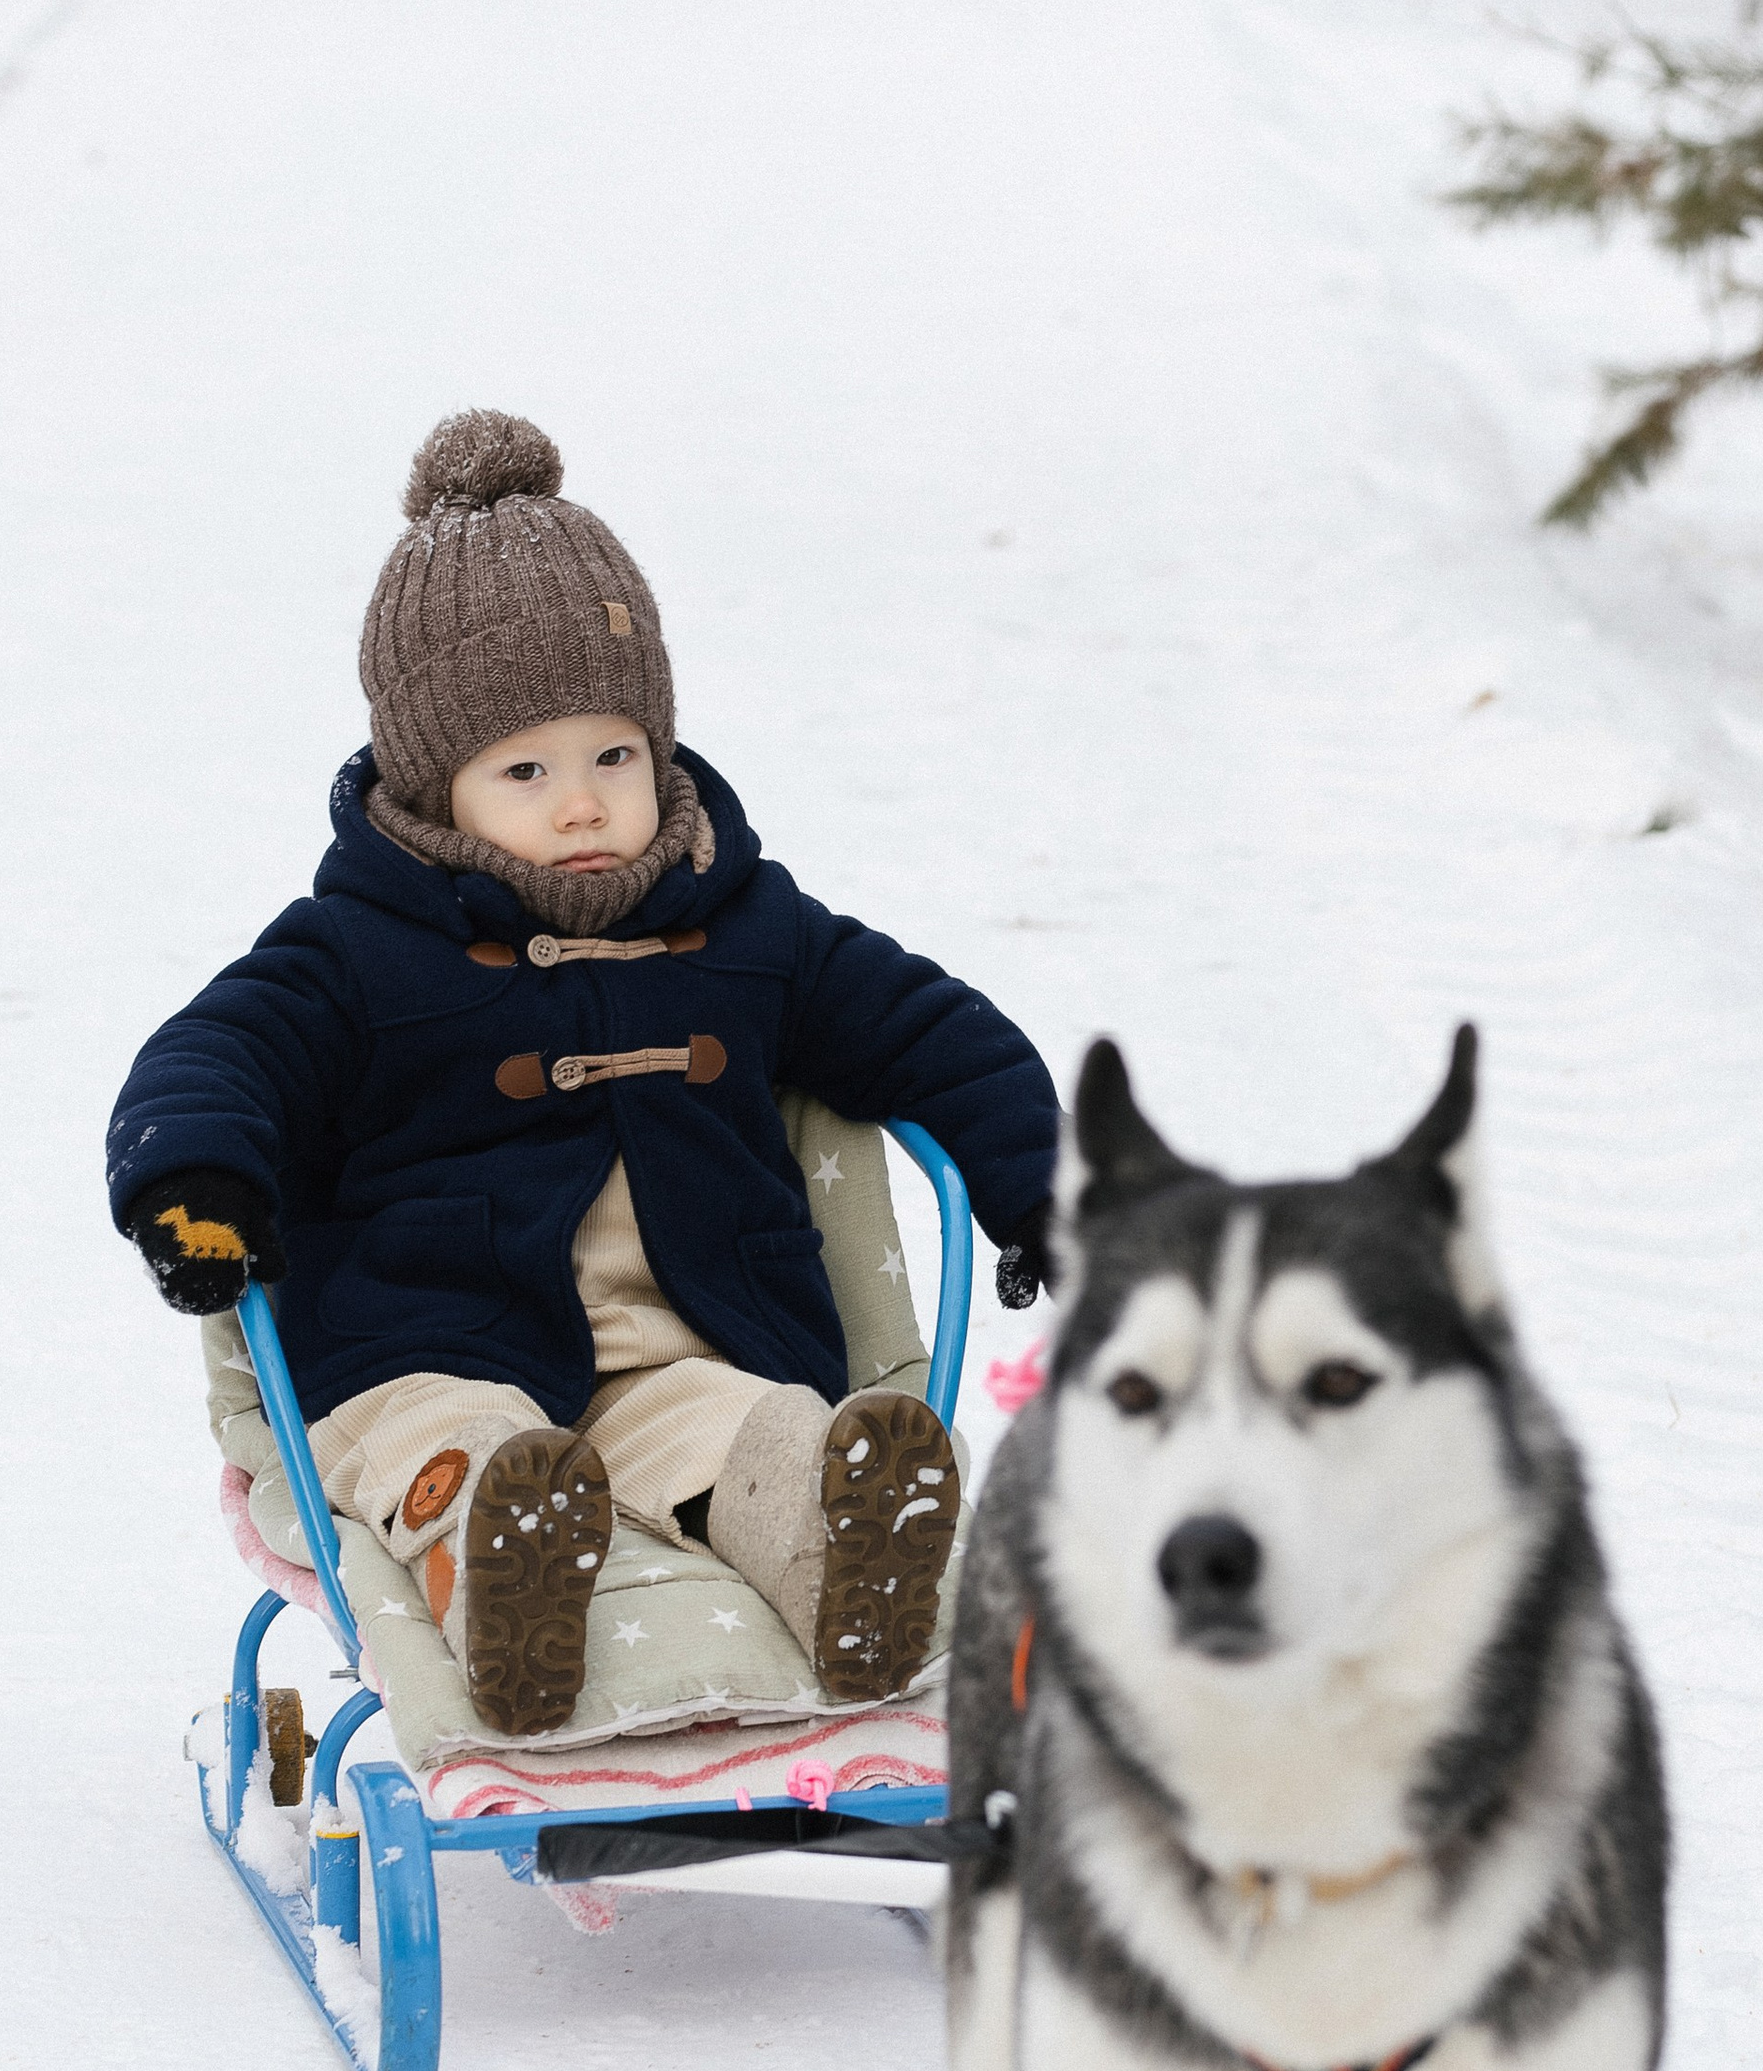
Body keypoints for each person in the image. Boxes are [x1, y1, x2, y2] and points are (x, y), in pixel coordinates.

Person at [106, 410, 1059, 1736]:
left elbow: (927, 1026)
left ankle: (851, 1551)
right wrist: (194, 1182)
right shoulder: (360, 950)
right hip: (425, 1340)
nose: (582, 802)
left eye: (615, 754)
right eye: (526, 770)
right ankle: (506, 1578)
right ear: (438, 789)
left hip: (683, 1346)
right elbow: (222, 1050)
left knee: (758, 1434)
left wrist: (1043, 1180)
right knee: (451, 1446)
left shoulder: (746, 928)